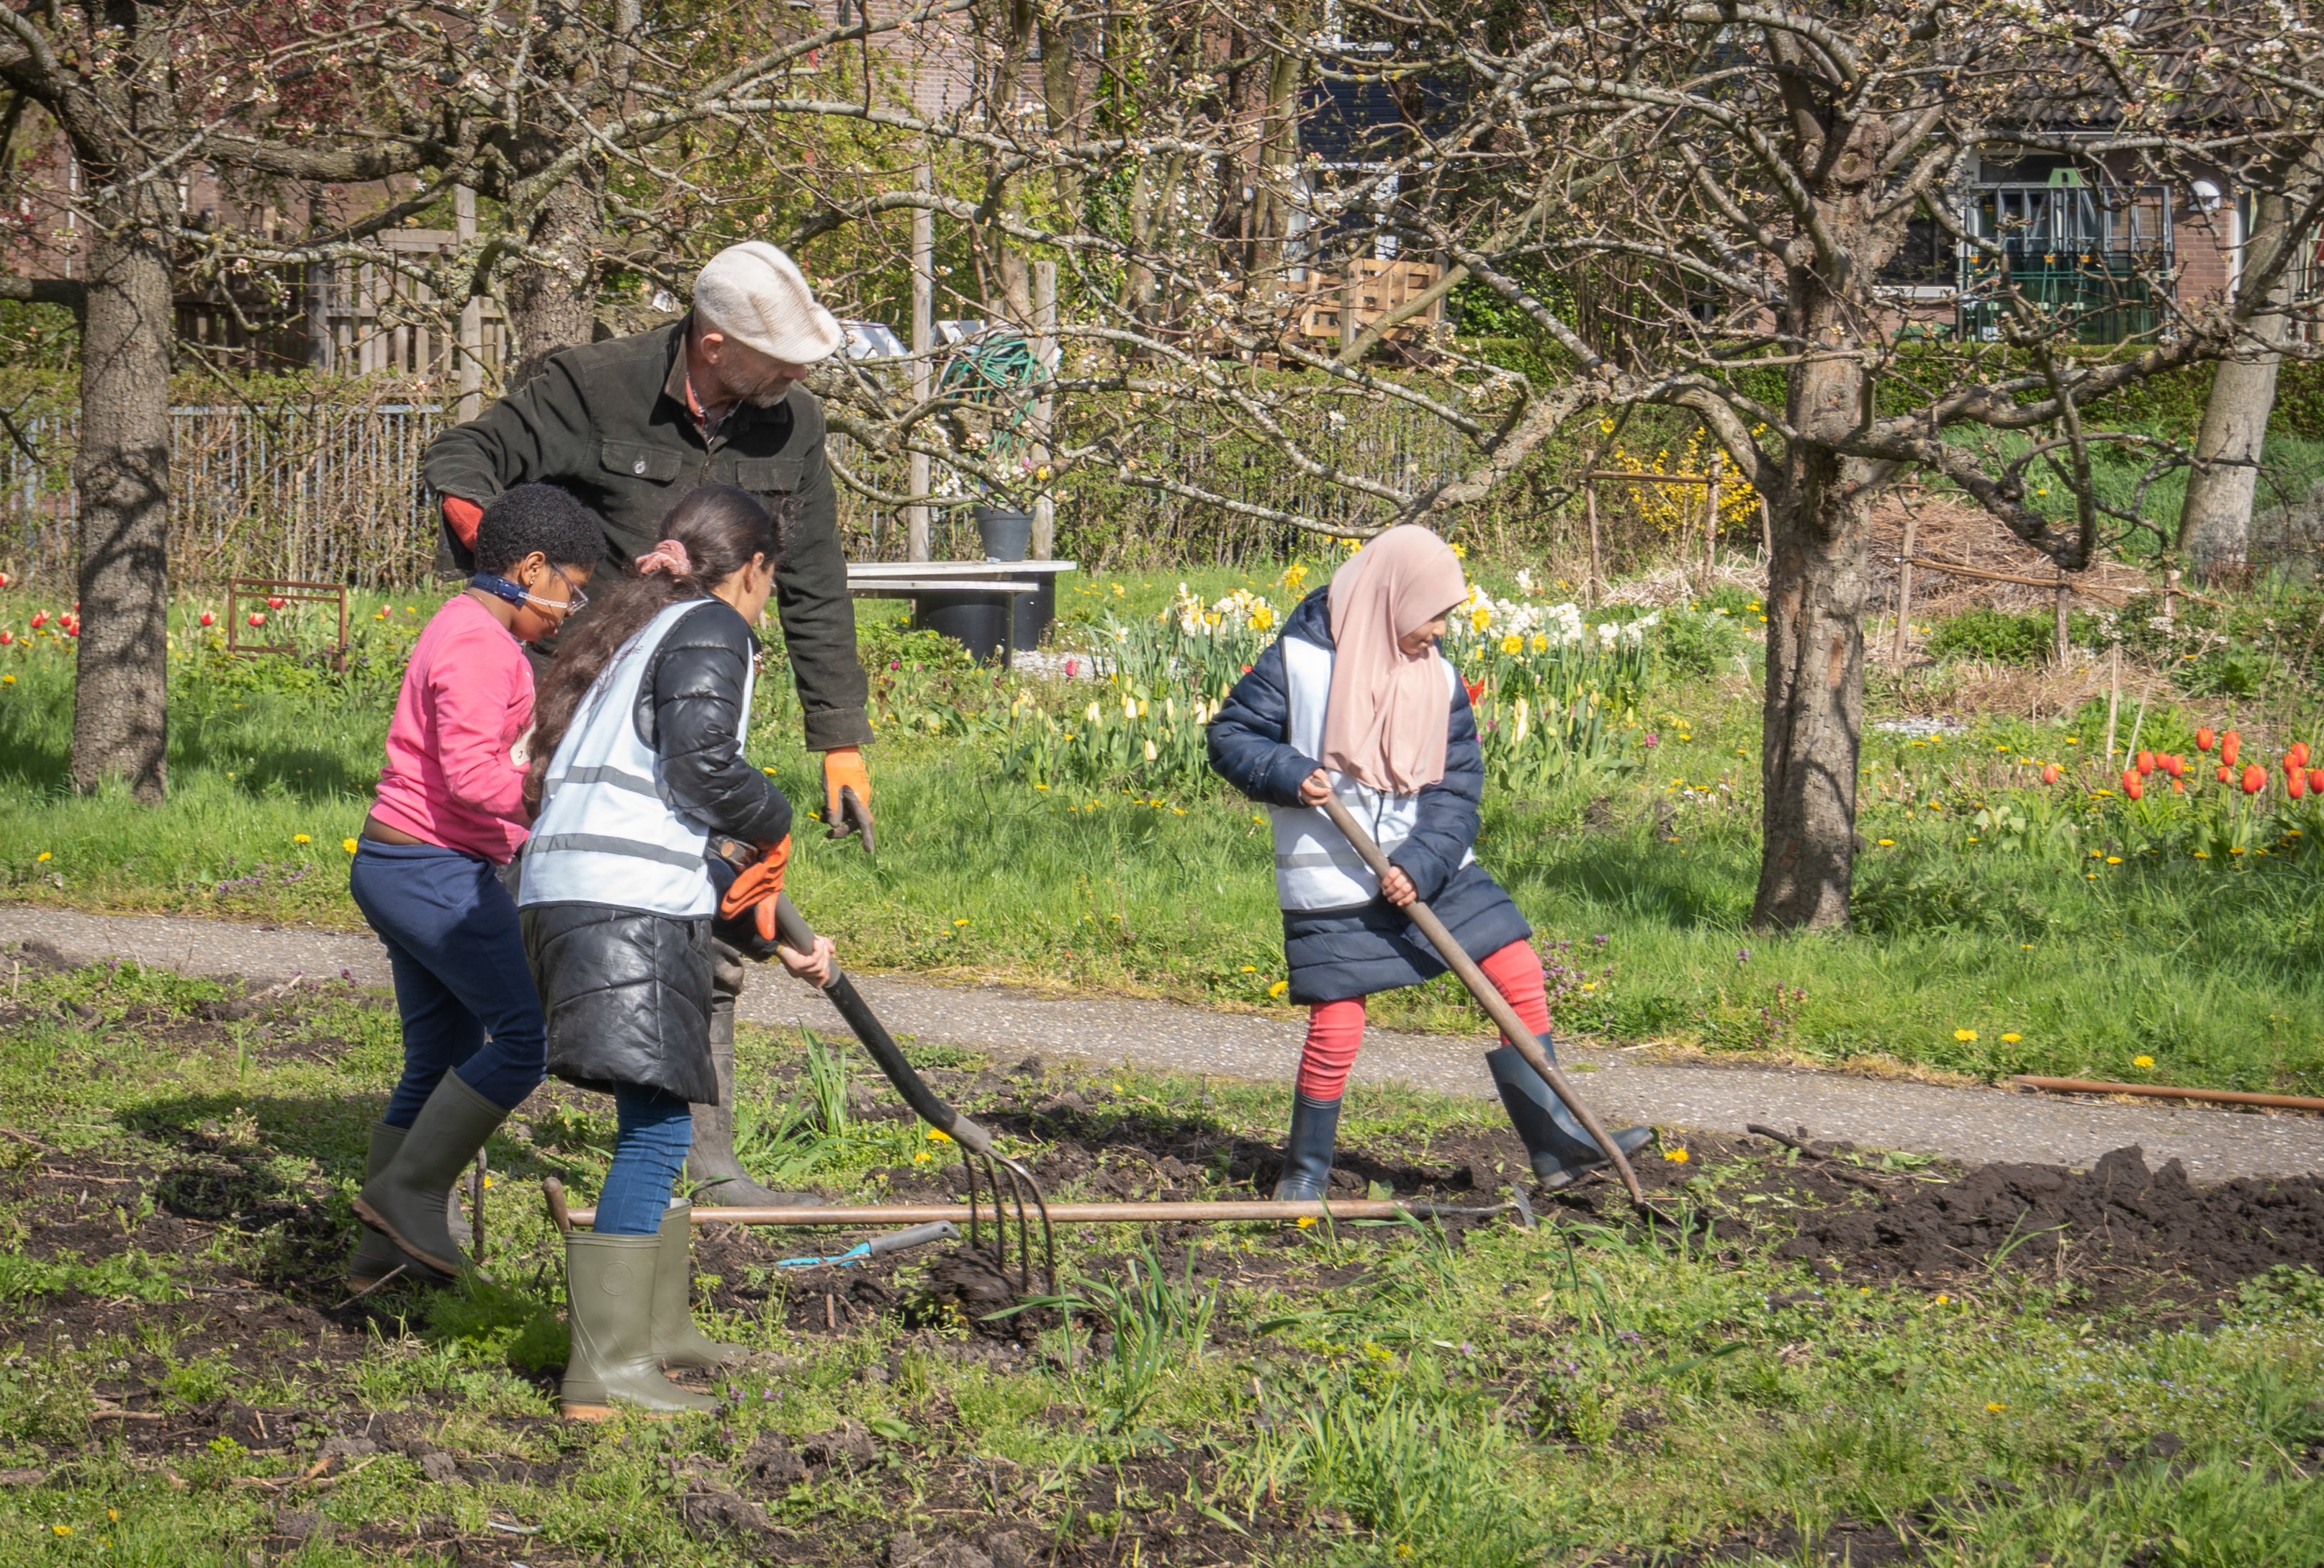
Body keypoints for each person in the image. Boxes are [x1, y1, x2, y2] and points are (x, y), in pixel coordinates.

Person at [423, 240, 870, 1206]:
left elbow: (816, 579)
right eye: (775, 357)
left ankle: (703, 1162)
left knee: (698, 921)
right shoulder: (593, 387)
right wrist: (508, 588)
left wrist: (840, 734)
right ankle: (434, 1166)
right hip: (579, 708)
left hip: (698, 711)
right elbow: (465, 460)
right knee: (515, 931)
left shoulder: (790, 423)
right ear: (712, 343)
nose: (793, 377)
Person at [1206, 526, 1654, 1198]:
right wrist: (1288, 770)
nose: (1441, 631)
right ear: (1391, 599)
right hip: (1331, 870)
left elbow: (1457, 787)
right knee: (1338, 1021)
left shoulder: (1438, 679)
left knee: (1517, 966)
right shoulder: (1298, 663)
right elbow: (1231, 735)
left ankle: (1557, 1142)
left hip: (1431, 864)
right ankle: (1304, 1174)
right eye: (1434, 613)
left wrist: (1422, 861)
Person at [516, 484, 837, 1420]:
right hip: (622, 902)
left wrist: (789, 937)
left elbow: (682, 827)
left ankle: (658, 1334)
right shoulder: (713, 628)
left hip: (581, 893)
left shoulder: (642, 630)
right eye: (772, 581)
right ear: (756, 569)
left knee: (652, 1121)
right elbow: (703, 764)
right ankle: (606, 1369)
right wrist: (777, 816)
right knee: (658, 1130)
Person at [347, 485, 600, 1289]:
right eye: (572, 586)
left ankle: (381, 1252)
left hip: (402, 864)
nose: (572, 607)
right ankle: (409, 1191)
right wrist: (559, 791)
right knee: (524, 1040)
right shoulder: (482, 646)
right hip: (432, 868)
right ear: (531, 568)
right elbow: (469, 779)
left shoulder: (462, 626)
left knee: (439, 1057)